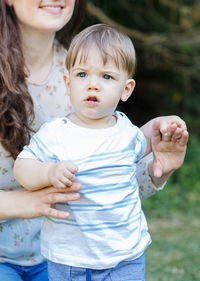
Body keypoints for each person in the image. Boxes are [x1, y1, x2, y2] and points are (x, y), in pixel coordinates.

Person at [0, 0, 188, 280]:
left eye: (105, 77)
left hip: (66, 257)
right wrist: (22, 201)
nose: (93, 82)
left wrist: (156, 171)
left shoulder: (89, 68)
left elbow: (107, 187)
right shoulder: (83, 77)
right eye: (83, 75)